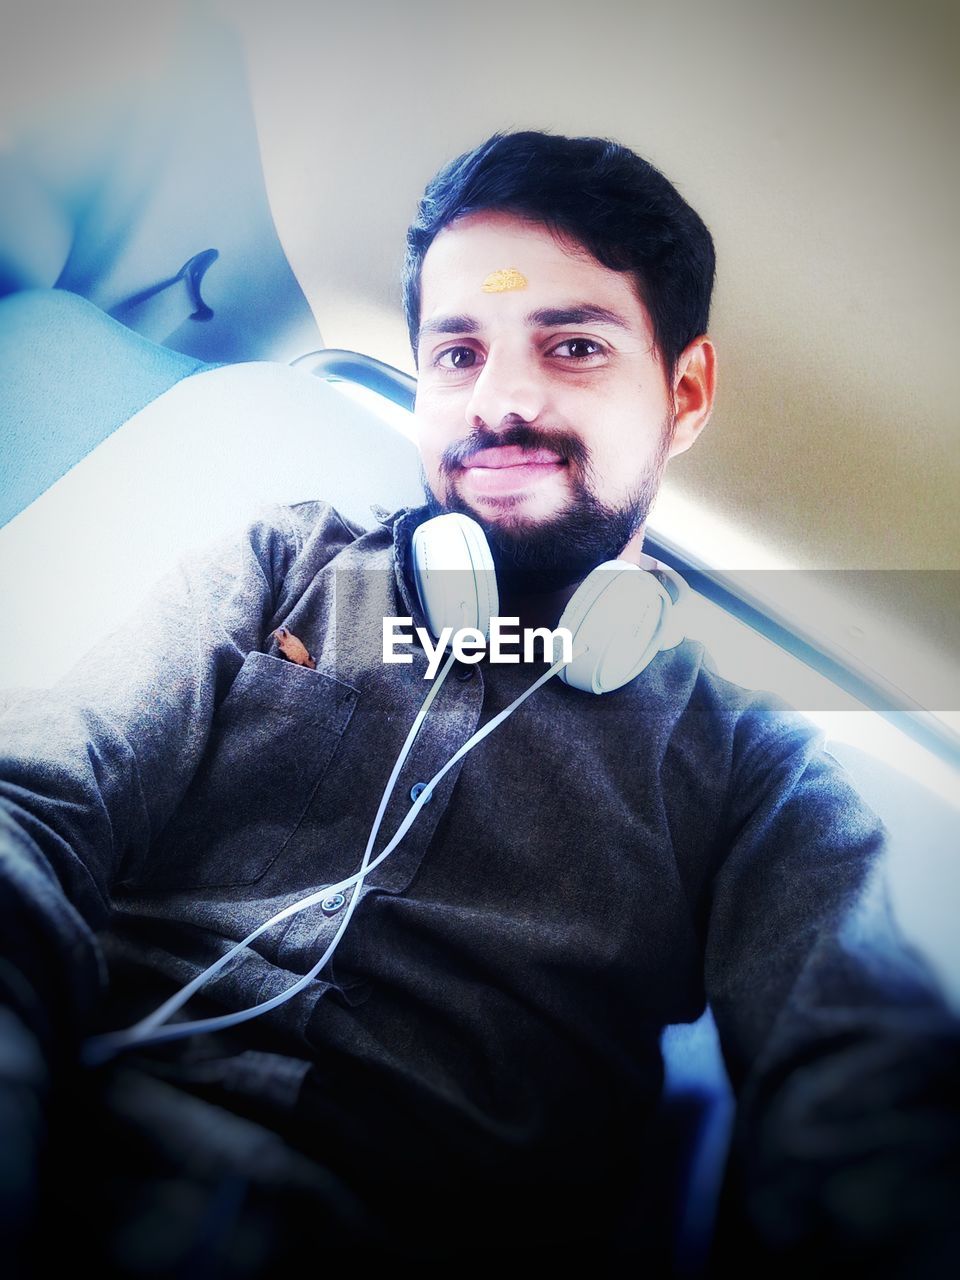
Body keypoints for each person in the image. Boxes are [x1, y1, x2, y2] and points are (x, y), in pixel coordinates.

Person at [1, 130, 958, 1278]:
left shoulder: (753, 767)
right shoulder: (282, 564)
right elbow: (36, 808)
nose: (501, 399)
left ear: (685, 390)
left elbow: (861, 1096)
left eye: (573, 344)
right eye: (457, 353)